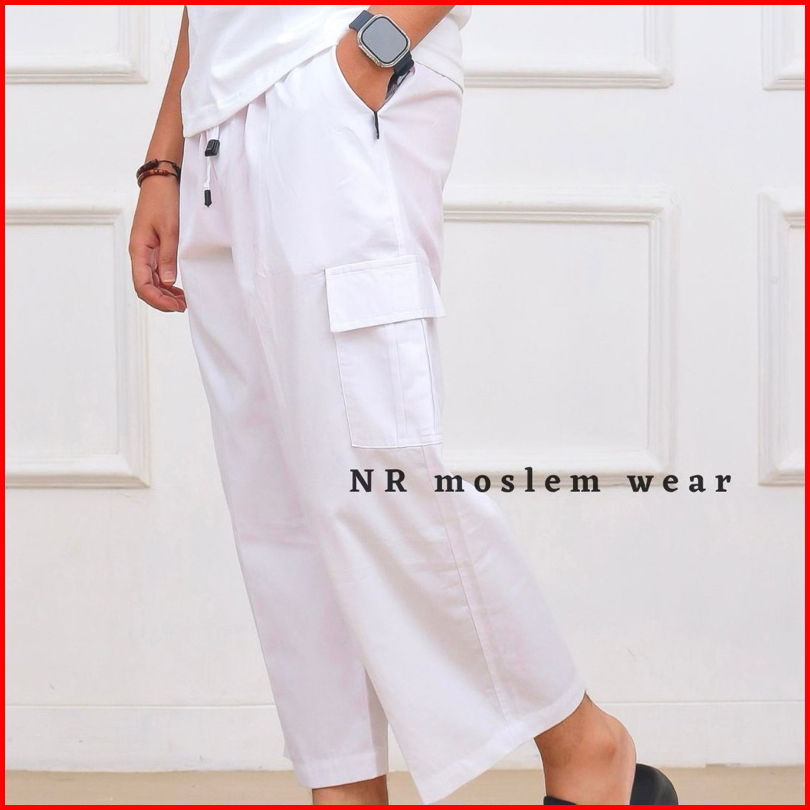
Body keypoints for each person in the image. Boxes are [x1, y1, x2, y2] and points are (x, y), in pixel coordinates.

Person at [129, 6, 678, 806]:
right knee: (279, 504)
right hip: (219, 115)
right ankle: (343, 786)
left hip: (330, 72)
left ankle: (583, 743)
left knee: (377, 467)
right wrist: (164, 159)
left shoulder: (350, 72)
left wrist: (371, 52)